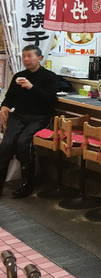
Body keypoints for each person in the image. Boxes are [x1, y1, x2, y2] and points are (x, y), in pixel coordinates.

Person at [0, 45, 58, 198]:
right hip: (19, 116)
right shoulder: (18, 76)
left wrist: (31, 87)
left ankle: (27, 184)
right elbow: (9, 98)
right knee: (5, 145)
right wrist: (4, 107)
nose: (26, 59)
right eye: (24, 56)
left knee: (23, 143)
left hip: (39, 117)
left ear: (39, 58)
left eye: (29, 56)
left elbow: (50, 101)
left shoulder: (50, 77)